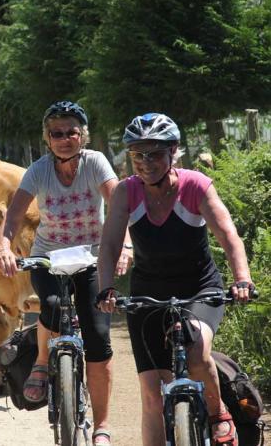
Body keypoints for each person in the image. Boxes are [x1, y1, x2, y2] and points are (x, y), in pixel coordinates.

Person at [96, 113, 255, 446]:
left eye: (154, 153)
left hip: (198, 289)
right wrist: (106, 288)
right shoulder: (127, 192)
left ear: (173, 152)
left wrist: (242, 278)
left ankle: (217, 413)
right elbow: (110, 244)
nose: (145, 162)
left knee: (196, 353)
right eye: (137, 154)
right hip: (148, 294)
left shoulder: (196, 185)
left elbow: (228, 235)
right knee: (152, 395)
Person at [0, 101, 131, 446]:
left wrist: (124, 246)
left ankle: (102, 426)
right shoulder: (38, 171)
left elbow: (117, 206)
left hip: (93, 258)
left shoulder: (96, 162)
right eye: (57, 133)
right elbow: (12, 217)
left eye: (72, 131)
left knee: (99, 340)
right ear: (47, 138)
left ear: (83, 135)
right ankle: (42, 361)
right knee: (52, 305)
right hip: (49, 257)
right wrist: (3, 248)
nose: (64, 138)